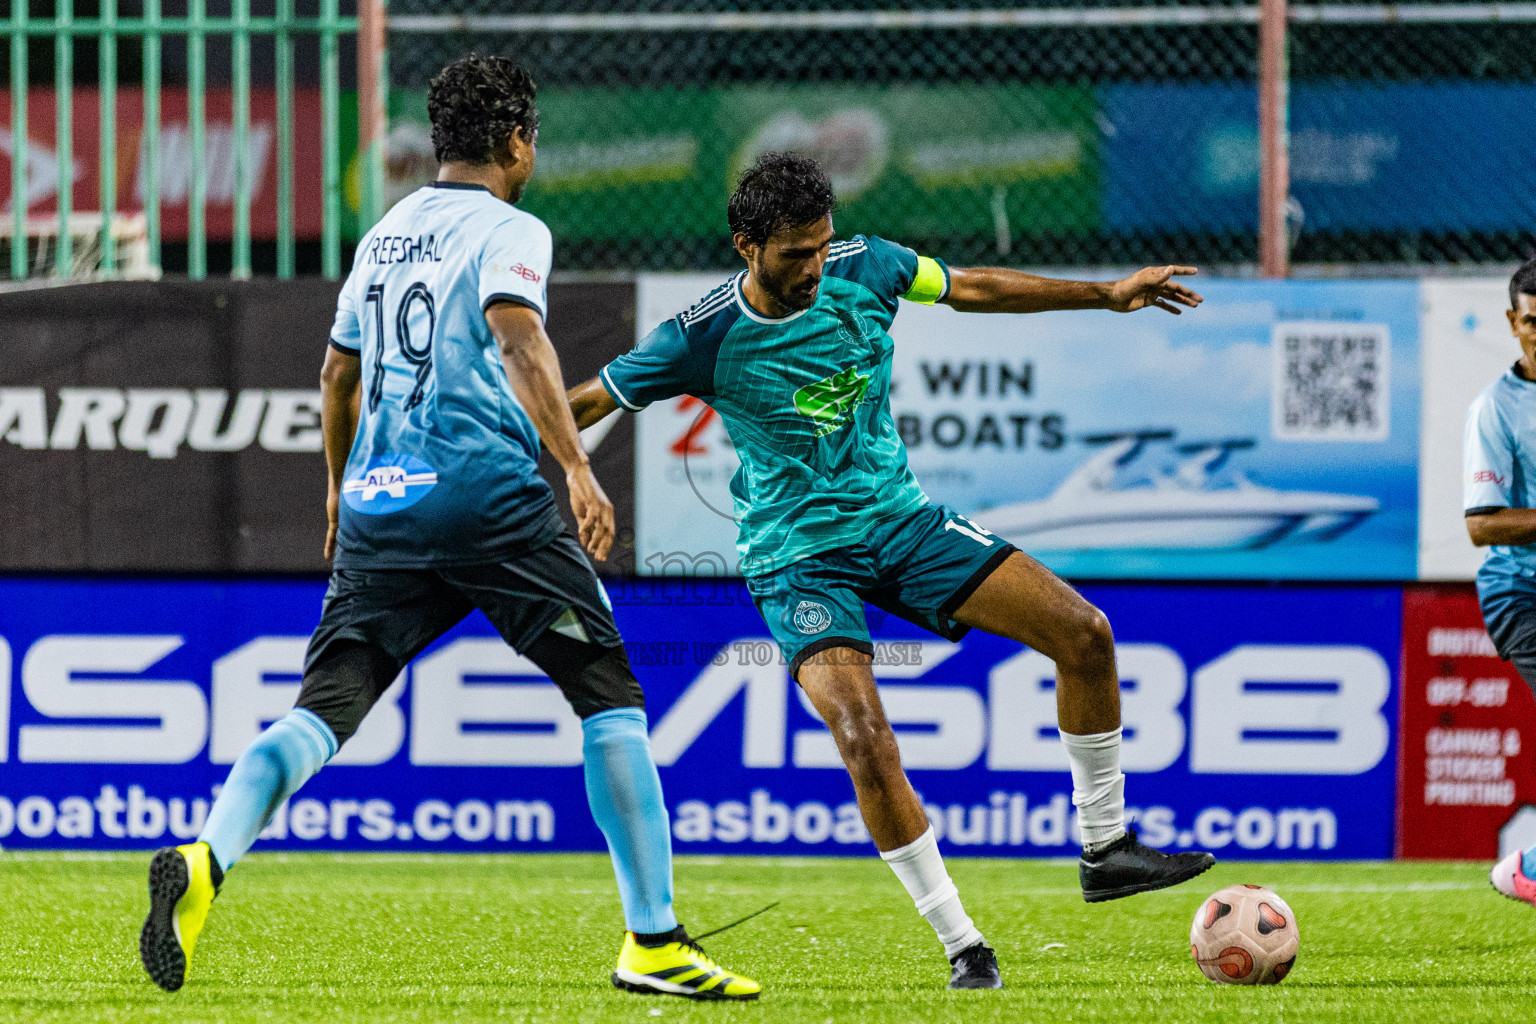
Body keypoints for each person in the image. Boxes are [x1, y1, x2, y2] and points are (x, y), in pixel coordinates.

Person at [138, 54, 759, 1001]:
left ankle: (209, 857)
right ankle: (655, 942)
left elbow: (335, 379)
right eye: (532, 138)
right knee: (611, 699)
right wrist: (579, 466)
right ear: (517, 141)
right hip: (487, 500)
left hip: (382, 510)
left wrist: (340, 495)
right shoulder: (509, 229)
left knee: (321, 710)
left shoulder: (382, 237)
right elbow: (518, 334)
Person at [567, 152, 1217, 990]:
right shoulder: (698, 338)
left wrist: (1105, 294)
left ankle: (1106, 848)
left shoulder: (864, 266)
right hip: (799, 559)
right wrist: (510, 443)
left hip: (901, 523)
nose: (813, 267)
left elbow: (971, 287)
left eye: (820, 246)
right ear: (746, 246)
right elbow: (581, 403)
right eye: (794, 254)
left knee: (1085, 635)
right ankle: (962, 943)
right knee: (864, 738)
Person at [1465, 257, 1536, 908]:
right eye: (1533, 322)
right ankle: (1529, 871)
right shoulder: (1497, 409)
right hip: (1522, 592)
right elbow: (1483, 526)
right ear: (1514, 323)